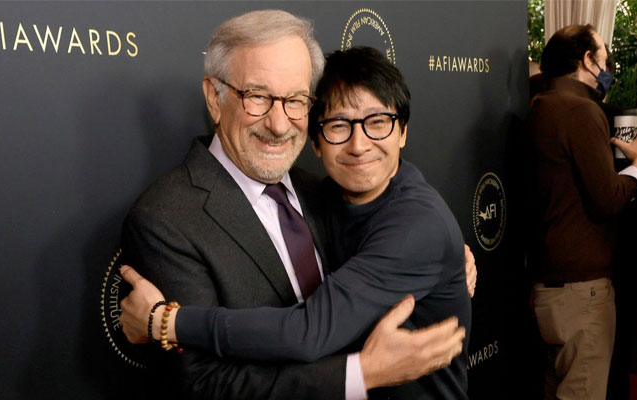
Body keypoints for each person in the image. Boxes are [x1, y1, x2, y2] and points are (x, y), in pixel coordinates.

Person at [119, 10, 470, 400]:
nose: (279, 123)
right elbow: (202, 386)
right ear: (213, 99)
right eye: (257, 96)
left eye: (295, 100)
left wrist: (166, 321)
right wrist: (359, 374)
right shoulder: (165, 219)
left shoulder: (321, 193)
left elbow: (324, 319)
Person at [526, 24, 637, 399]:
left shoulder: (539, 107)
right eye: (605, 56)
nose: (609, 64)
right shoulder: (580, 110)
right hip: (582, 296)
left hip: (548, 288)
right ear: (587, 60)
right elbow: (608, 198)